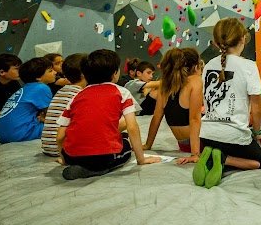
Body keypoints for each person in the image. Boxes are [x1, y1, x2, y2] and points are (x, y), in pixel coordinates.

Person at [176, 18, 261, 188]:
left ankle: (211, 155)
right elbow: (257, 109)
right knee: (258, 161)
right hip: (234, 136)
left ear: (216, 43)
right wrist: (257, 132)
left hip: (208, 136)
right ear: (243, 39)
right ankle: (224, 158)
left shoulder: (208, 65)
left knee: (223, 145)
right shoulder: (249, 66)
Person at [57, 49, 160, 180]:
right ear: (115, 73)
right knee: (125, 144)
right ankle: (94, 170)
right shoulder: (122, 92)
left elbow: (60, 136)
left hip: (71, 156)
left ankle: (78, 165)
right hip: (102, 158)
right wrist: (141, 159)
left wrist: (64, 159)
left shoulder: (77, 96)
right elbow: (132, 127)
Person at [143, 49, 203, 154]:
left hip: (184, 145)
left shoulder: (165, 85)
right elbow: (194, 119)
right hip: (200, 144)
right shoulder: (195, 81)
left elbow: (156, 117)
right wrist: (195, 154)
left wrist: (148, 144)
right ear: (196, 66)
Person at [0, 57, 56, 143]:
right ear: (38, 77)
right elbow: (53, 115)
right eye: (50, 71)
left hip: (4, 135)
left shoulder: (25, 88)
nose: (55, 72)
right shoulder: (41, 87)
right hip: (20, 133)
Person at [41, 53, 87, 158]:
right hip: (64, 150)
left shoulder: (60, 91)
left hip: (48, 146)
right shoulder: (82, 95)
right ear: (84, 74)